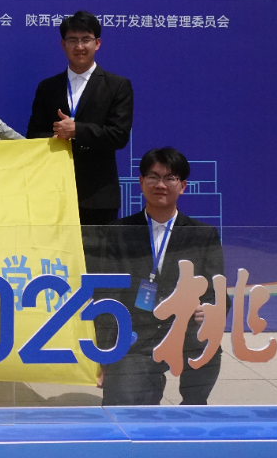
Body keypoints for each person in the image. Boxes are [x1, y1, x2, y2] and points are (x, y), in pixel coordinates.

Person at [95, 147, 226, 406]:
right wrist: (106, 354)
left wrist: (208, 309)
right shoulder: (118, 231)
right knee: (123, 407)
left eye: (170, 178)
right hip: (136, 335)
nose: (161, 185)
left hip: (185, 330)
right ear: (141, 182)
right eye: (153, 177)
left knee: (196, 403)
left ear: (183, 186)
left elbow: (217, 292)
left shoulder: (203, 234)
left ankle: (193, 405)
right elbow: (106, 293)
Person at [26, 10, 133, 227]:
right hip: (54, 191)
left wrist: (77, 130)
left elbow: (119, 136)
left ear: (97, 43)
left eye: (86, 39)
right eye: (73, 40)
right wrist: (57, 137)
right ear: (63, 44)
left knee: (97, 250)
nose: (79, 46)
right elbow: (33, 135)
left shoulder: (117, 86)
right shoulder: (47, 87)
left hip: (98, 194)